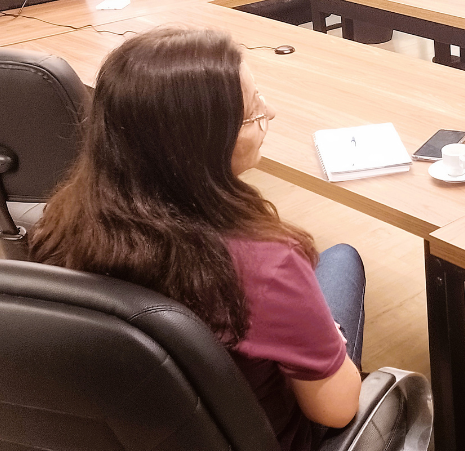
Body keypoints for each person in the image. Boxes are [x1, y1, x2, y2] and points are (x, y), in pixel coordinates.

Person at [30, 26, 366, 451]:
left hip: (141, 432)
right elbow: (334, 411)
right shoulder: (265, 264)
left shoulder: (61, 223)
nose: (272, 112)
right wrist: (327, 332)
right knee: (343, 259)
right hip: (264, 438)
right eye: (251, 110)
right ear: (202, 141)